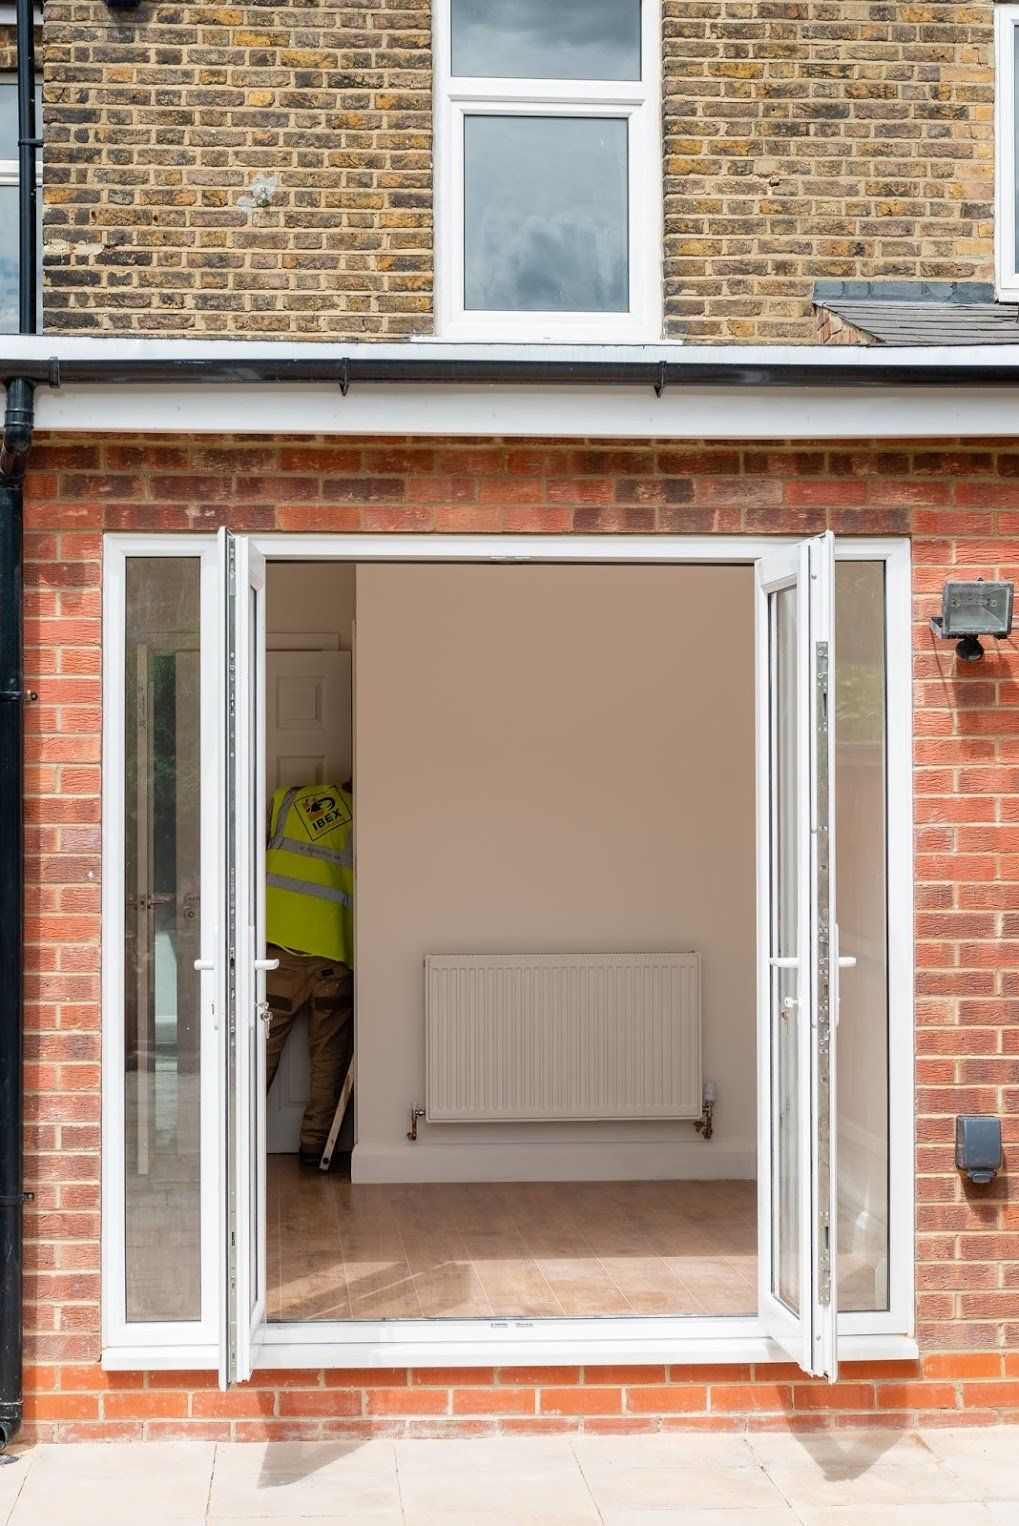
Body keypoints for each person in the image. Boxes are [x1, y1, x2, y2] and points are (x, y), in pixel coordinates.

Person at [264, 783, 354, 1167]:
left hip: (277, 954)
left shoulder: (288, 799)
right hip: (332, 958)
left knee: (260, 1052)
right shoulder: (364, 817)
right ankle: (315, 1149)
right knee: (328, 1058)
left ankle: (234, 1143)